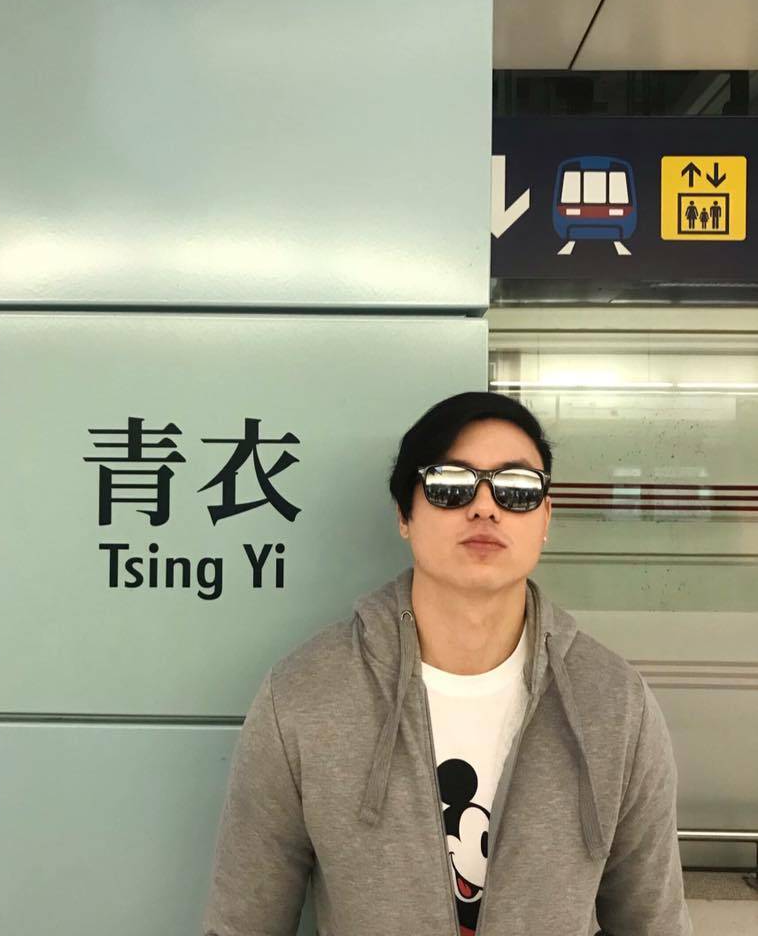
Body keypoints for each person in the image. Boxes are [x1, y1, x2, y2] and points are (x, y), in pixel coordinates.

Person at [202, 391, 693, 936]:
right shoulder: (304, 696)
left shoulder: (615, 706)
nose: (485, 507)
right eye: (450, 484)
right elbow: (242, 923)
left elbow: (652, 922)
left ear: (545, 517)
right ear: (404, 515)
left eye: (517, 488)